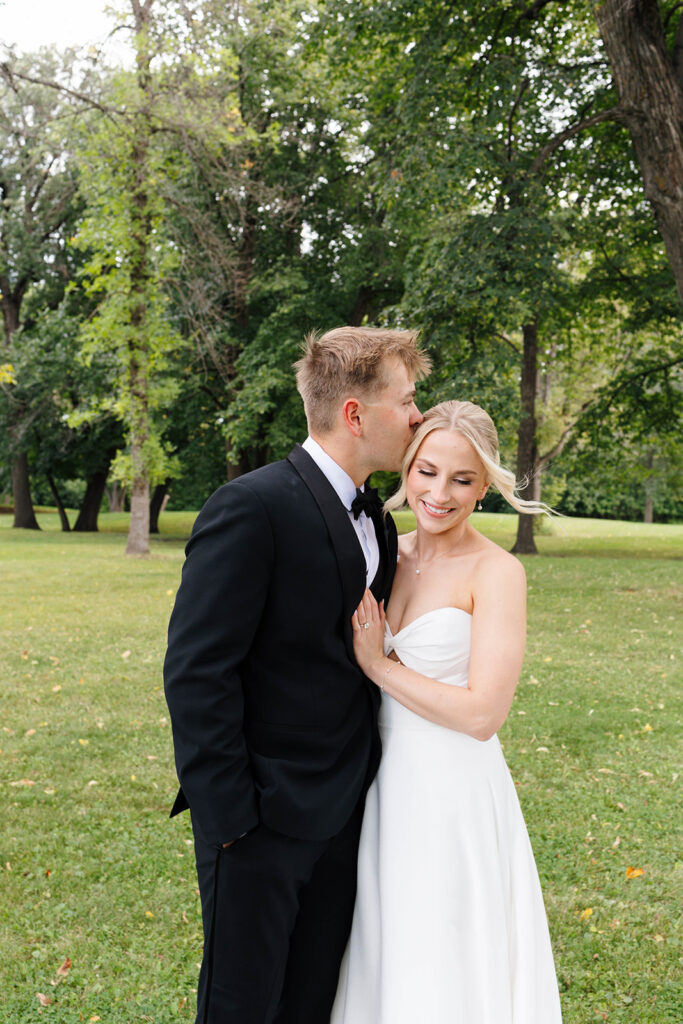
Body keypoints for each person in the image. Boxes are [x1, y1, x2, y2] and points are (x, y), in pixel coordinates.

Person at [163, 326, 430, 1024]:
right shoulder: (251, 506)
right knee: (241, 1008)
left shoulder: (375, 513)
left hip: (347, 814)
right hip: (259, 821)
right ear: (353, 414)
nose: (416, 416)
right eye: (405, 400)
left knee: (311, 1003)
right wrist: (230, 822)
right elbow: (197, 671)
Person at [331, 400, 563, 1024]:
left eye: (462, 479)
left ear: (484, 485)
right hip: (375, 786)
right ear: (406, 467)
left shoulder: (497, 572)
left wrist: (381, 665)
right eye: (427, 472)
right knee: (382, 948)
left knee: (444, 954)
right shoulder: (381, 552)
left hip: (452, 791)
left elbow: (483, 713)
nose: (439, 493)